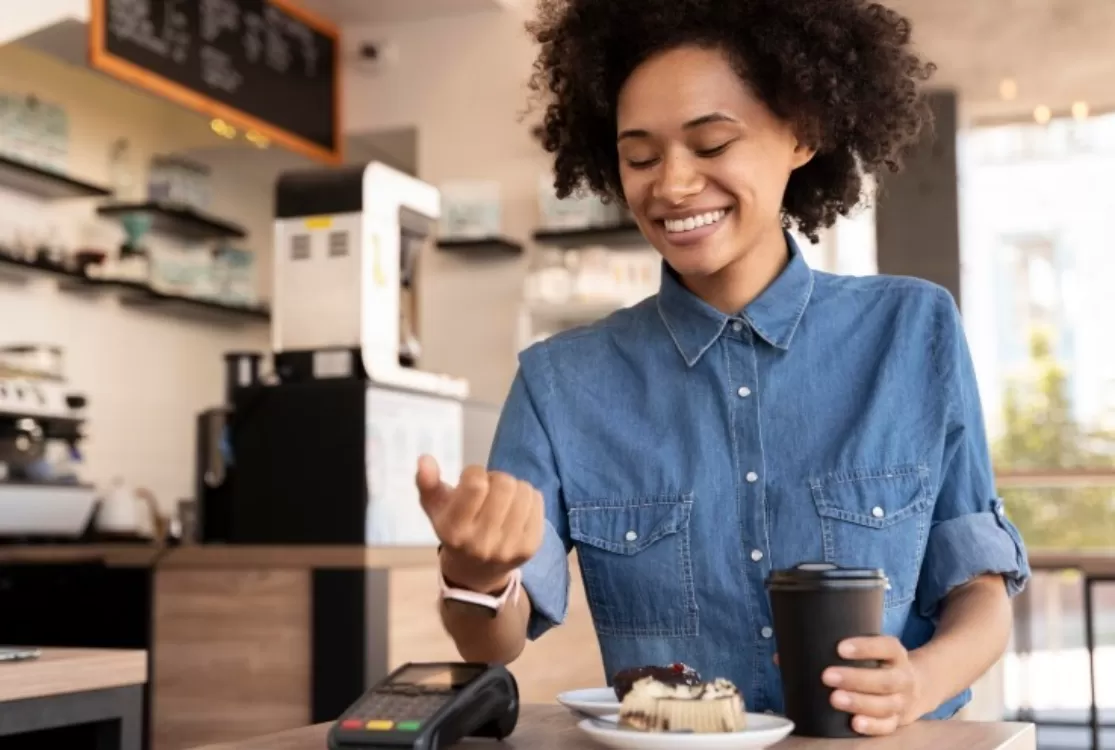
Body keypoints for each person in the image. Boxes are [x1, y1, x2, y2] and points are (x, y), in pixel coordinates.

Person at [416, 0, 1031, 736]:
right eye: (639, 157)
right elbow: (494, 639)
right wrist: (476, 578)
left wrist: (918, 679)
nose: (671, 185)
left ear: (802, 132)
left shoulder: (911, 330)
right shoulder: (559, 384)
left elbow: (979, 591)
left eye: (710, 144)